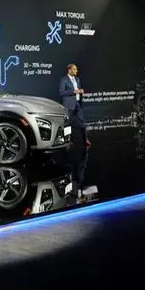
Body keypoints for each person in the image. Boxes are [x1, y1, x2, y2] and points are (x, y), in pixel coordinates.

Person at [58, 63, 96, 201]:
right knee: (67, 124)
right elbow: (61, 92)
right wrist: (74, 91)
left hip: (78, 105)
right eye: (74, 69)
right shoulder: (64, 80)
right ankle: (65, 141)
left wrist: (80, 92)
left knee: (83, 123)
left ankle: (86, 139)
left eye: (77, 69)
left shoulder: (78, 79)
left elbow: (78, 91)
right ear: (69, 70)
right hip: (68, 105)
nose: (77, 71)